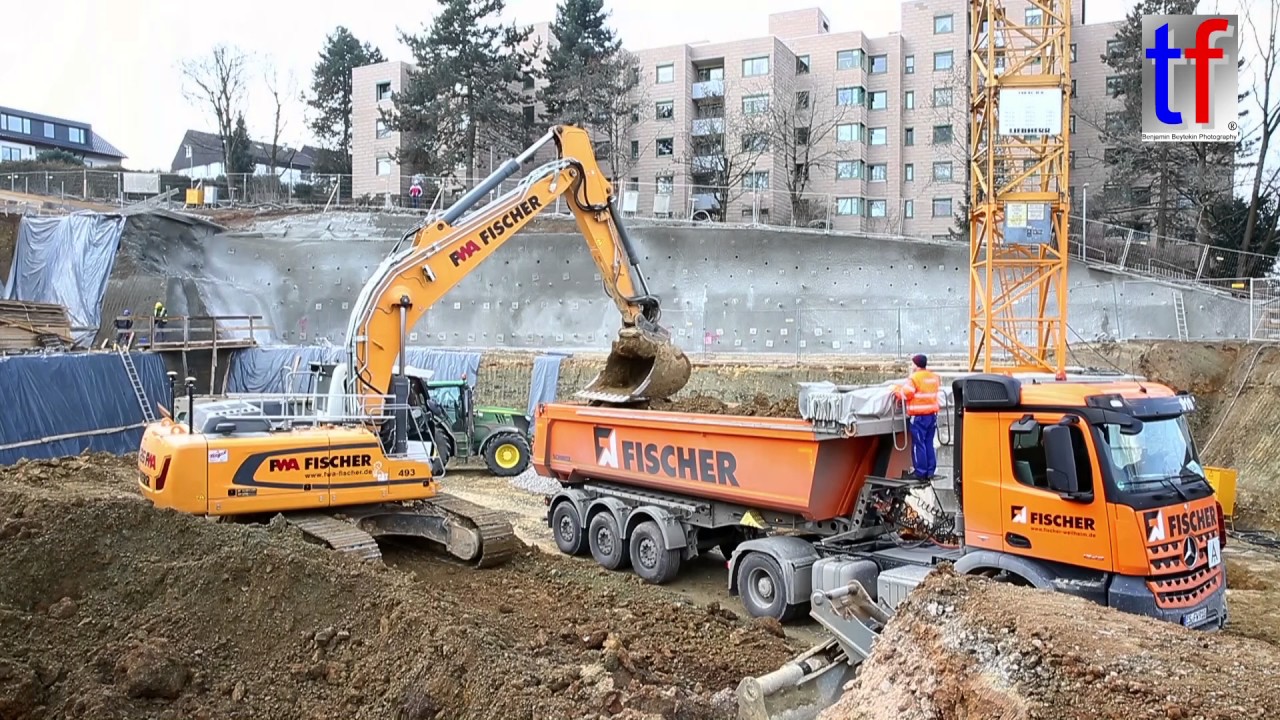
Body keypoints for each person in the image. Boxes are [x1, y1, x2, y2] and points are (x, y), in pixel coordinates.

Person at [894, 354, 942, 481]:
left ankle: (920, 472)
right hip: (932, 416)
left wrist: (895, 390)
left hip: (919, 416)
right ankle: (930, 470)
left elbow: (906, 394)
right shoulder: (933, 377)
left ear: (915, 364)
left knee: (918, 444)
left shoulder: (914, 378)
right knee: (928, 443)